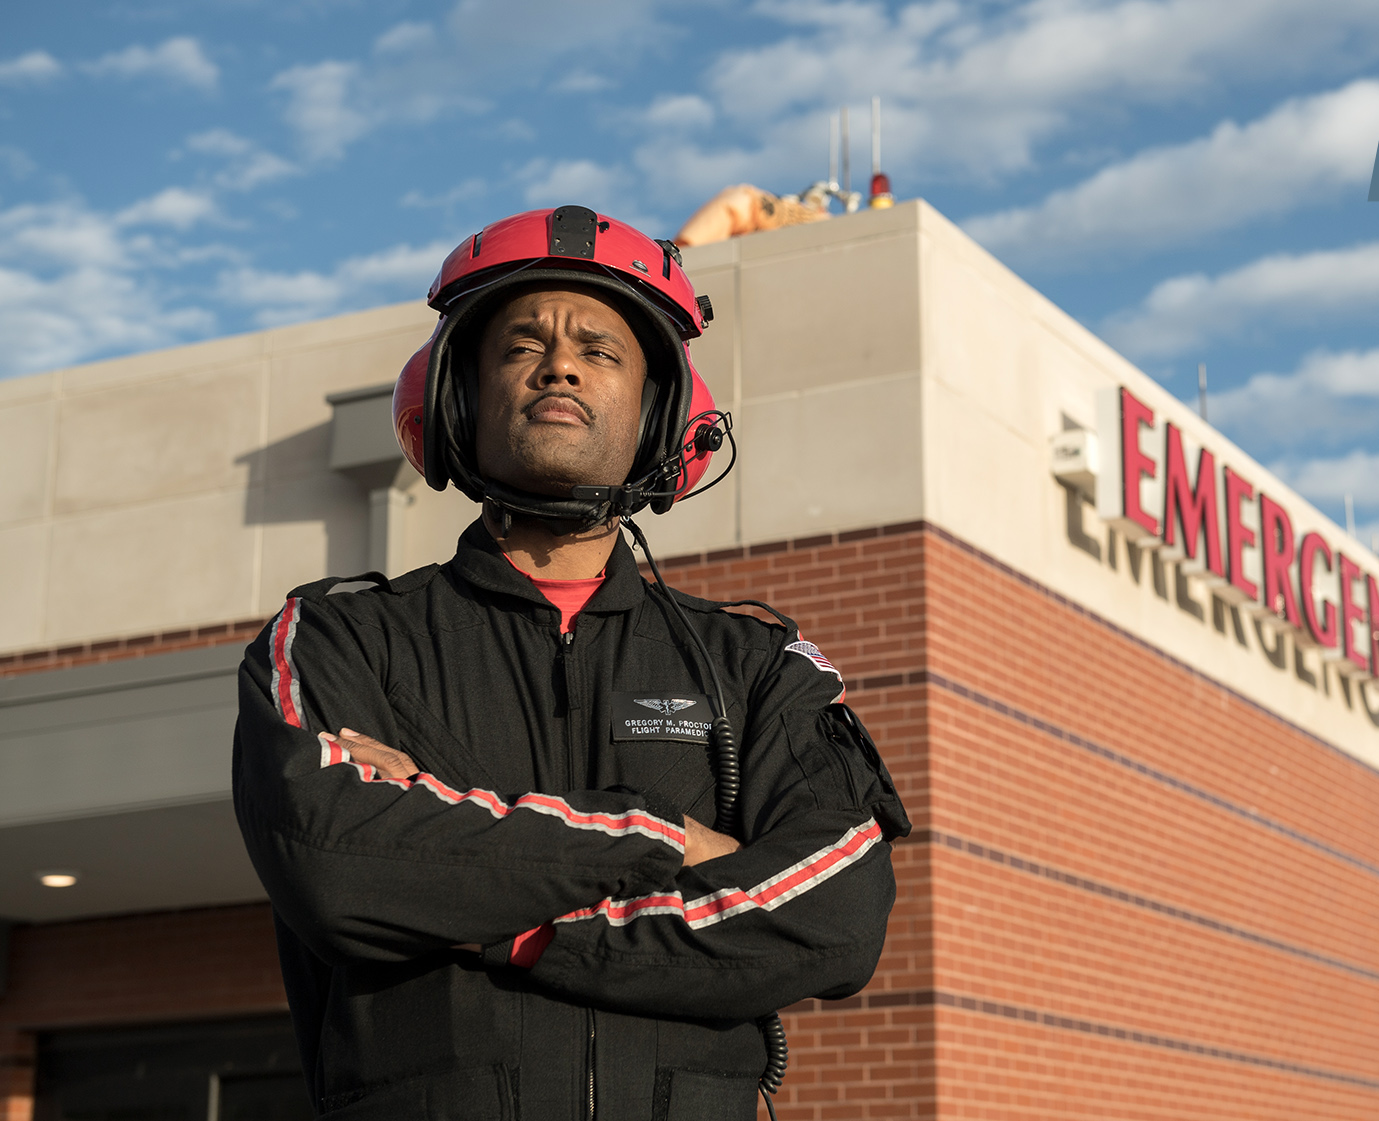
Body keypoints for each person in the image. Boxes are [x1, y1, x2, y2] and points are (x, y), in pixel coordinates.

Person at [232, 205, 910, 1121]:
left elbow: (833, 912)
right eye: (521, 346)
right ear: (455, 399)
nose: (559, 363)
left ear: (663, 414)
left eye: (599, 349)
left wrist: (485, 912)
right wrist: (661, 837)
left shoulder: (756, 668)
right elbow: (336, 860)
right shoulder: (337, 640)